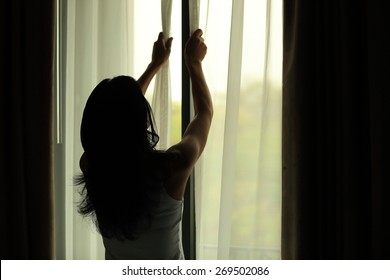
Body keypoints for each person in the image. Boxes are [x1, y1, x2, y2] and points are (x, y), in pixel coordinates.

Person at [76, 29, 212, 260]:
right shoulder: (173, 166)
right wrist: (194, 63)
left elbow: (118, 118)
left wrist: (154, 66)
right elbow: (204, 114)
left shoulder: (92, 165)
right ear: (144, 119)